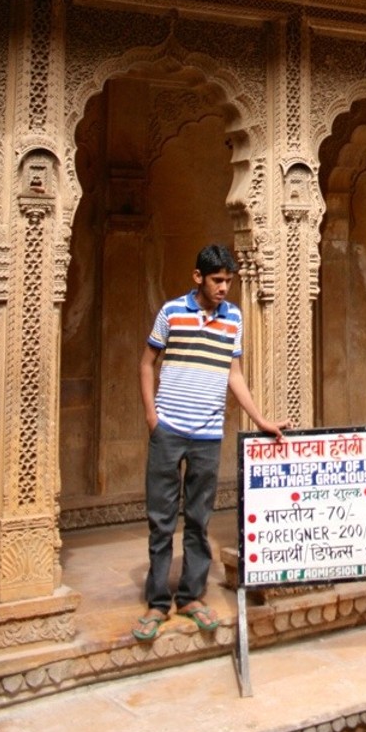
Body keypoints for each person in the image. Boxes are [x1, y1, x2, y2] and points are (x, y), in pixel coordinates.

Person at [133, 243, 283, 641]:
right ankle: (157, 602)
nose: (224, 289)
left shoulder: (233, 318)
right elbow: (147, 363)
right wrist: (153, 416)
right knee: (161, 519)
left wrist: (260, 419)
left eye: (229, 281)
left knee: (198, 519)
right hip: (169, 431)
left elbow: (234, 373)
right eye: (217, 280)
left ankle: (191, 595)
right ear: (198, 277)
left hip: (207, 435)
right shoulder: (172, 312)